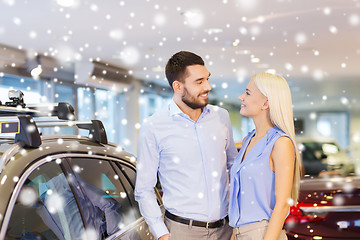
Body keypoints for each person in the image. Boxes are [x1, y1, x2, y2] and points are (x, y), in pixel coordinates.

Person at [135, 51, 238, 240]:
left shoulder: (221, 117)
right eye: (199, 82)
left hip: (226, 229)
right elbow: (144, 188)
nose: (207, 86)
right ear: (178, 86)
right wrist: (162, 234)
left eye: (207, 79)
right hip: (181, 232)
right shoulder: (154, 126)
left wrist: (237, 220)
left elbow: (234, 168)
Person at [229, 72, 302, 240]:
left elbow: (282, 205)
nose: (241, 97)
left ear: (266, 103)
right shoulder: (248, 139)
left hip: (264, 234)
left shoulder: (280, 143)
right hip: (239, 232)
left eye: (247, 93)